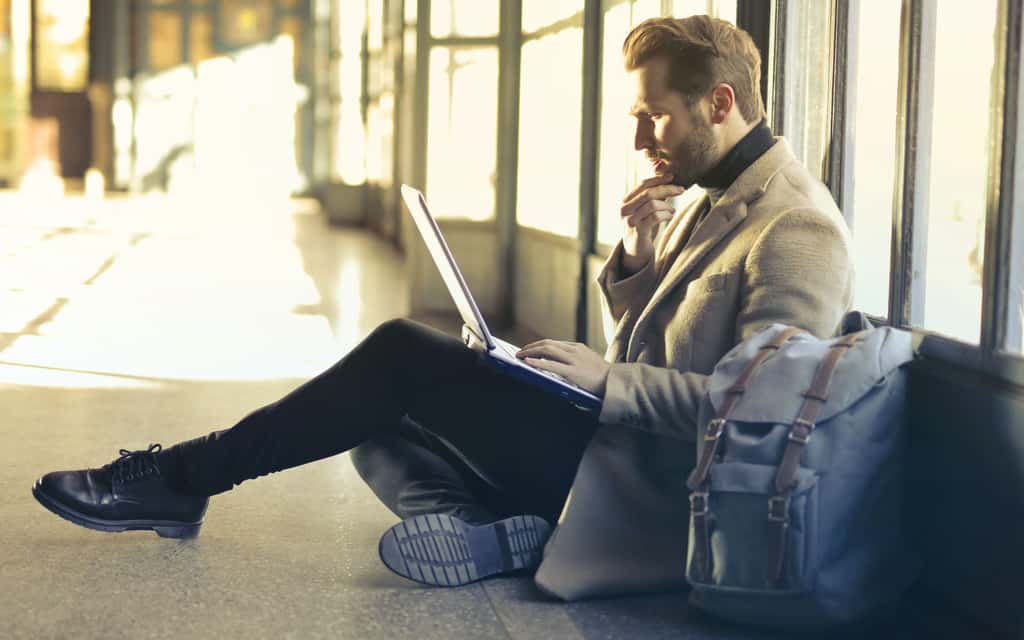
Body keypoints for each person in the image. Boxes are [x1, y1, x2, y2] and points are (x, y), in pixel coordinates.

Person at [31, 15, 853, 594]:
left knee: (397, 354)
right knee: (372, 422)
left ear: (719, 104)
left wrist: (606, 384)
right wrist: (637, 262)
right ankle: (489, 529)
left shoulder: (796, 227)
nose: (642, 141)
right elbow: (665, 349)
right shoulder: (711, 192)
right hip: (609, 443)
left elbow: (765, 423)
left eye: (655, 118)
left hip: (652, 491)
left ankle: (183, 476)